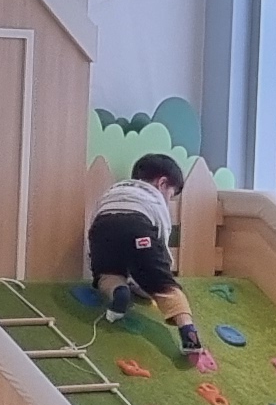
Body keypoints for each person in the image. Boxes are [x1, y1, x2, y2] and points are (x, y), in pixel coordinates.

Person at [86, 152, 214, 369]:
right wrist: (161, 272)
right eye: (171, 195)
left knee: (107, 273)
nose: (169, 200)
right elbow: (160, 241)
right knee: (163, 285)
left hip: (102, 228)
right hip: (139, 225)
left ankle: (118, 292)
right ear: (162, 183)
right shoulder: (154, 199)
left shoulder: (115, 190)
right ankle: (188, 332)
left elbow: (95, 220)